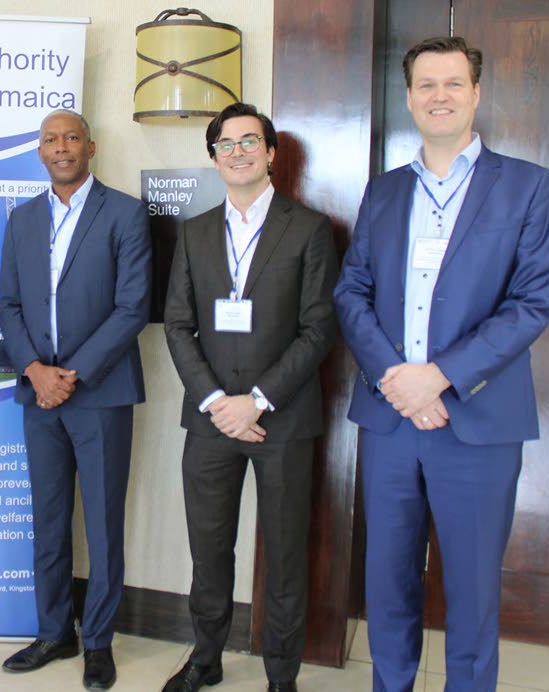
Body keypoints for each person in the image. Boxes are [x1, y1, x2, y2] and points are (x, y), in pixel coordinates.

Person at [333, 36, 549, 692]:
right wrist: (395, 379)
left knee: (471, 590)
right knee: (387, 582)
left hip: (479, 421)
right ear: (409, 98)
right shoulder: (383, 192)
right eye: (426, 85)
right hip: (390, 420)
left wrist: (439, 376)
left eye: (452, 83)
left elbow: (529, 305)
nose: (439, 96)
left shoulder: (527, 187)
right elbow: (352, 292)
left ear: (476, 94)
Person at [161, 103, 339, 692]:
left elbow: (318, 330)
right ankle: (206, 658)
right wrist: (217, 400)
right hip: (211, 419)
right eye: (225, 143)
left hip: (281, 420)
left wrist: (256, 399)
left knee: (285, 556)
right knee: (209, 552)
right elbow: (178, 324)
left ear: (270, 153)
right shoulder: (194, 232)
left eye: (249, 141)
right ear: (213, 158)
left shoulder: (309, 229)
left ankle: (281, 676)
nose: (237, 151)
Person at [0, 108, 151, 690]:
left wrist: (73, 373)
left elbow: (132, 308)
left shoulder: (125, 214)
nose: (61, 147)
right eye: (50, 140)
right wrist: (36, 370)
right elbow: (7, 304)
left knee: (106, 523)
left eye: (71, 138)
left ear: (92, 146)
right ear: (40, 151)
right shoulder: (23, 220)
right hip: (39, 394)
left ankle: (99, 642)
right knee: (49, 517)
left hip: (101, 393)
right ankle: (54, 631)